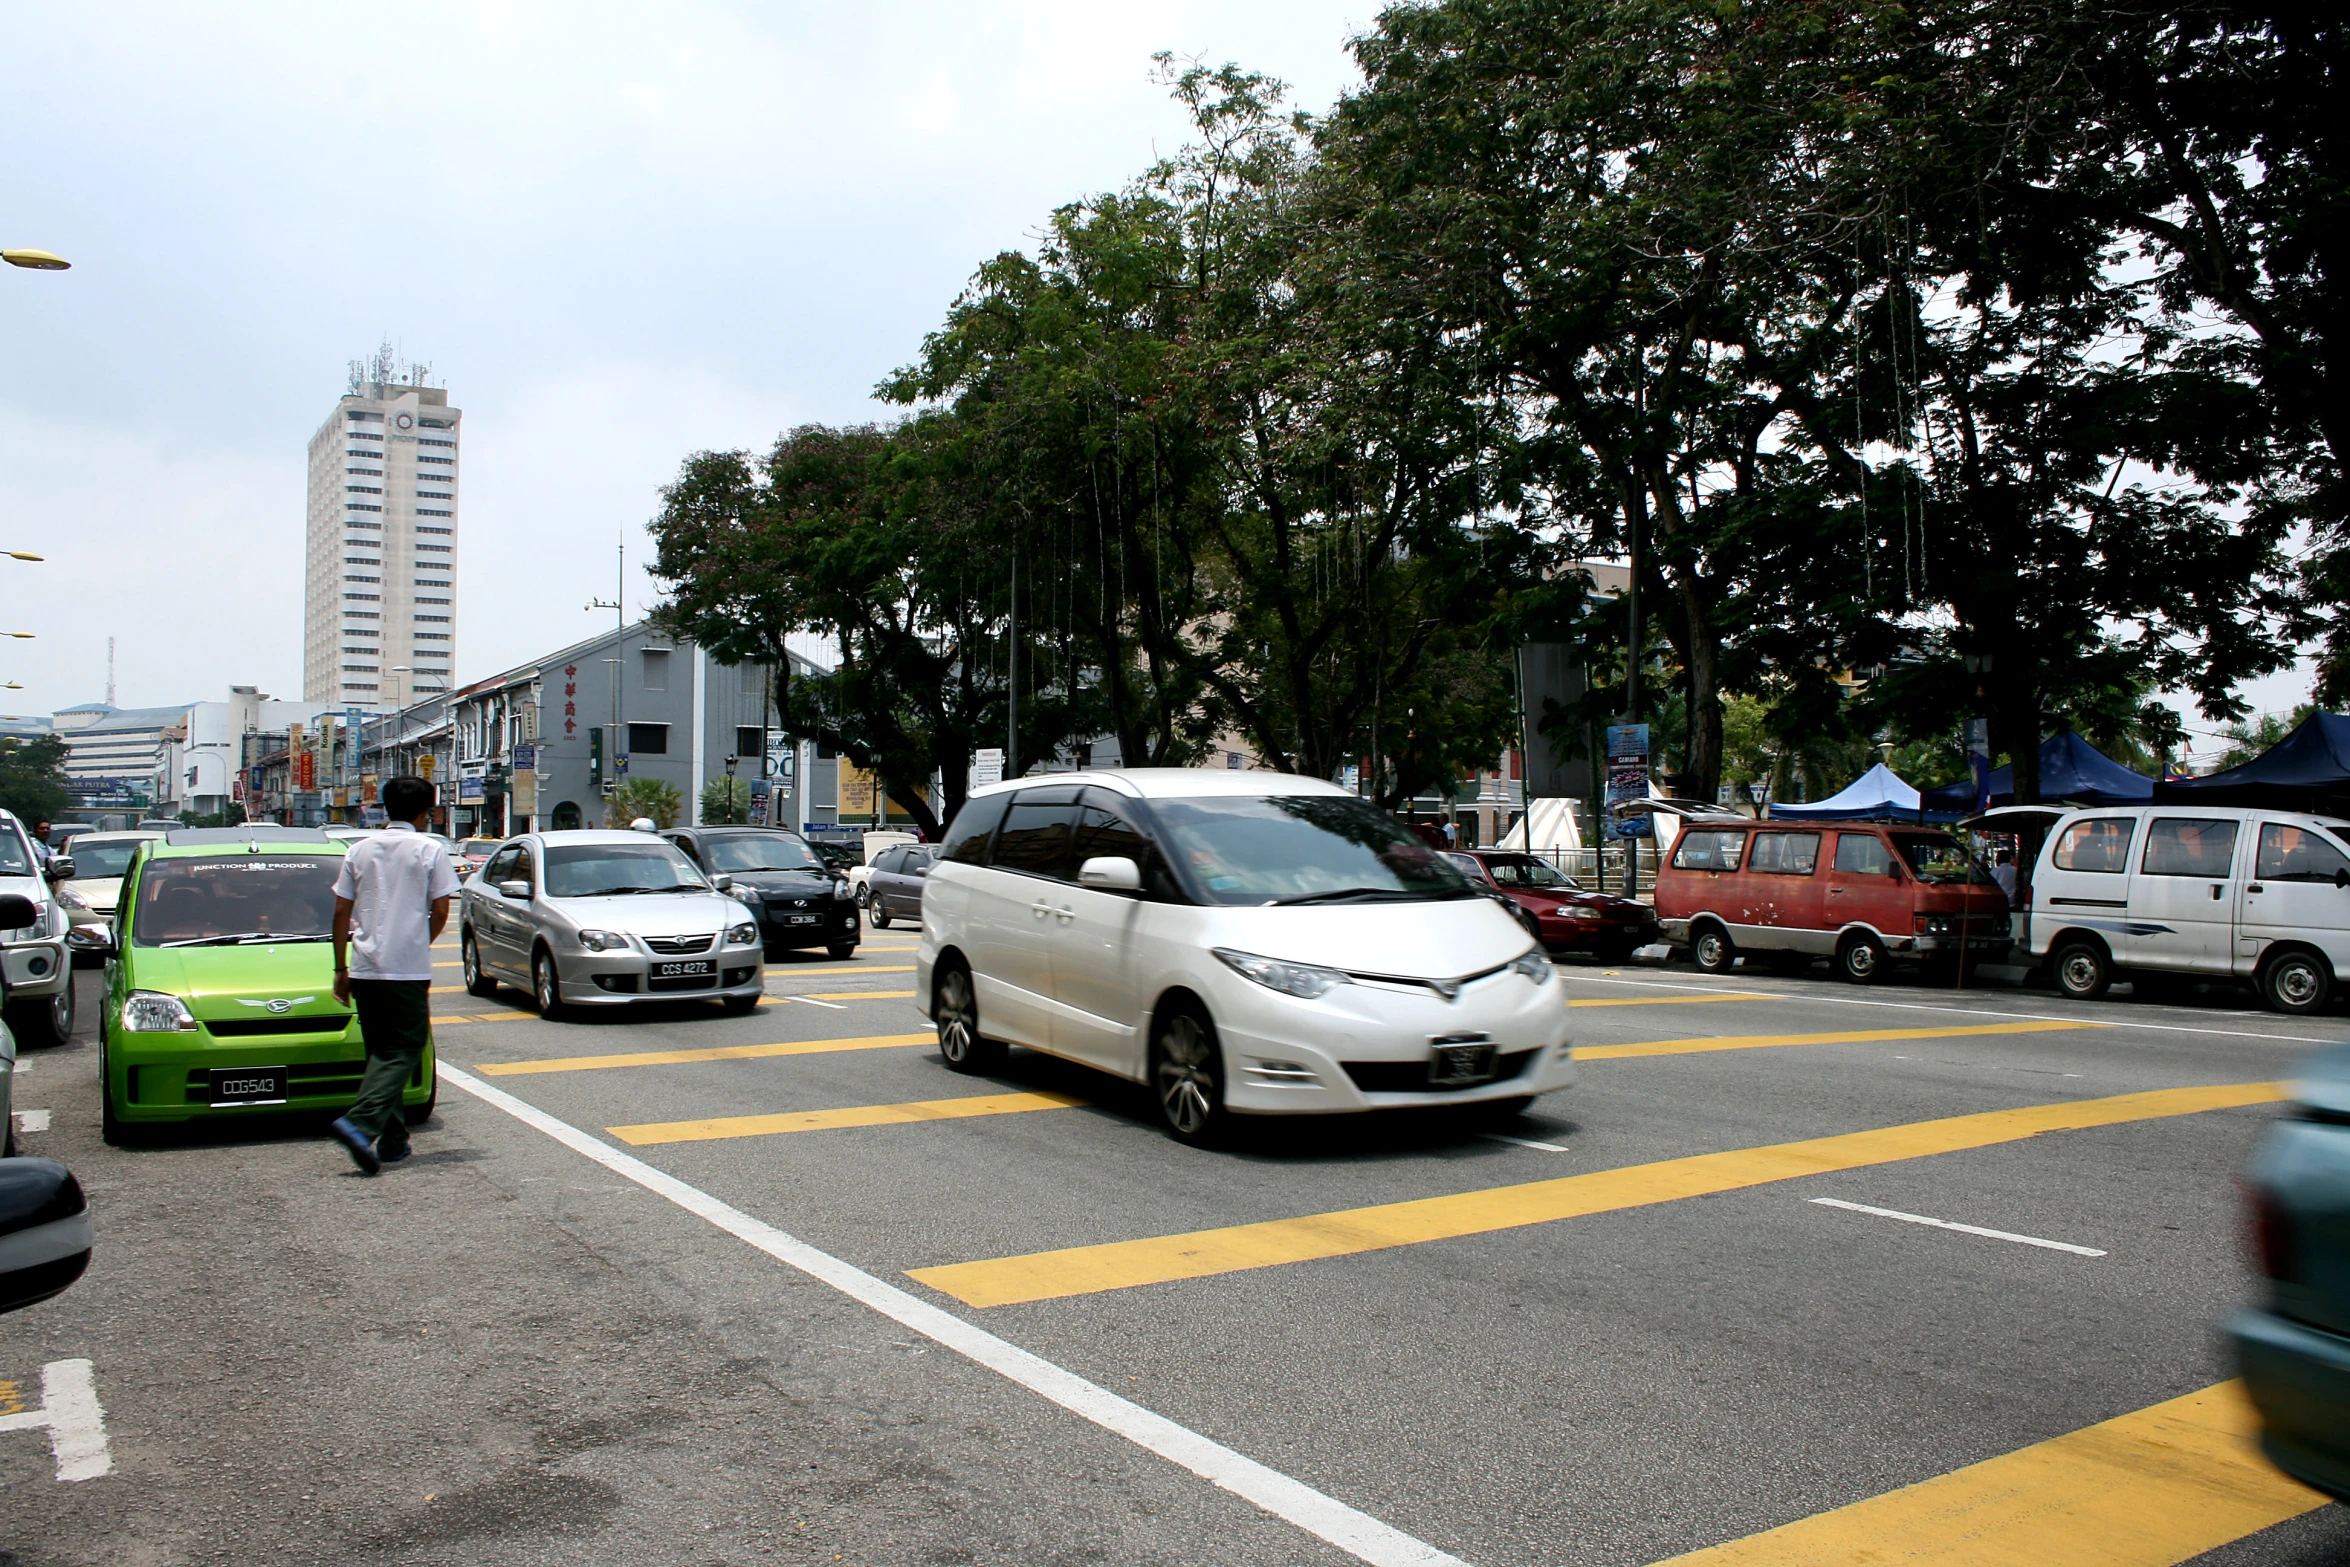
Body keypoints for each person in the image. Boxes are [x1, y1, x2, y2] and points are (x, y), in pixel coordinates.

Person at [326, 775, 461, 1175]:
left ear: (385, 808)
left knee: (380, 1053)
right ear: (426, 812)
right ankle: (360, 1124)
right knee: (405, 1048)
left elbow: (340, 912)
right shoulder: (429, 849)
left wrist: (340, 967)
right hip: (406, 968)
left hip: (366, 964)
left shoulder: (359, 850)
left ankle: (394, 1140)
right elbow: (440, 910)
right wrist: (420, 942)